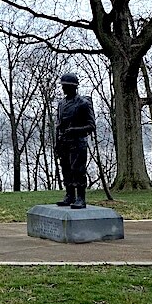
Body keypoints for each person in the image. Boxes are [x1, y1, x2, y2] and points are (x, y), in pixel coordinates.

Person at [54, 72, 96, 209]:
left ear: (73, 87)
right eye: (62, 86)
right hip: (64, 142)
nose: (63, 88)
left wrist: (75, 130)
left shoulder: (83, 103)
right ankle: (69, 195)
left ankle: (81, 198)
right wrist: (57, 142)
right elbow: (59, 125)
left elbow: (91, 126)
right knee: (66, 169)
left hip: (78, 142)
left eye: (65, 86)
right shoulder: (61, 104)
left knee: (77, 170)